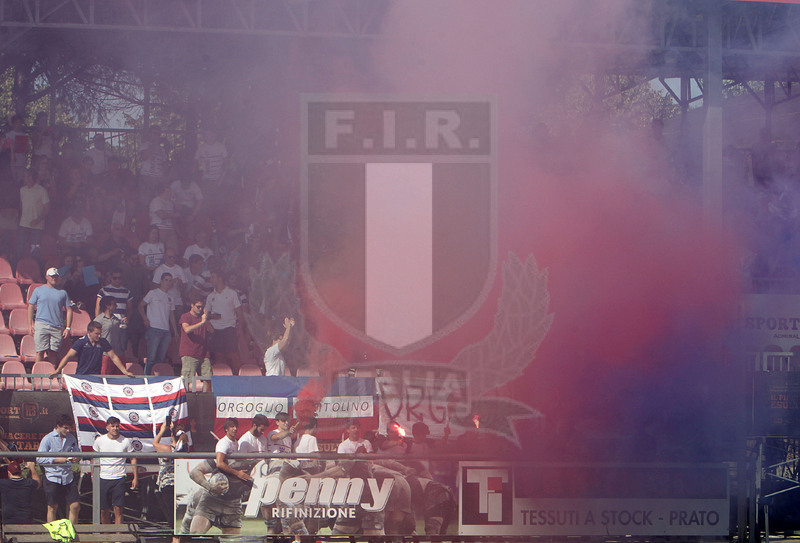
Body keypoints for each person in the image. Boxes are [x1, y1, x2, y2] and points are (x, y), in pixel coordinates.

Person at [92, 417, 138, 525]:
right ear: (107, 427)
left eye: (117, 426)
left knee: (118, 509)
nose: (115, 428)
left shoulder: (125, 441)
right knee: (104, 510)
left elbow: (133, 458)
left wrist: (136, 477)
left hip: (119, 478)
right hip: (103, 478)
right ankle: (107, 537)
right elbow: (93, 458)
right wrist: (93, 476)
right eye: (113, 426)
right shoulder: (99, 440)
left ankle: (118, 538)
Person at [37, 414, 80, 523]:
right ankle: (53, 535)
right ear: (58, 426)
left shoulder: (71, 438)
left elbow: (78, 453)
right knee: (52, 507)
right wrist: (56, 459)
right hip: (52, 477)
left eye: (70, 428)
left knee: (75, 505)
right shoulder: (47, 438)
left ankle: (72, 532)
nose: (68, 430)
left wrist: (77, 458)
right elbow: (39, 459)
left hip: (68, 476)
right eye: (65, 428)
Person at [51, 321, 134, 377]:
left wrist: (125, 371)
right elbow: (68, 357)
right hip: (82, 375)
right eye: (96, 334)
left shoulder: (103, 342)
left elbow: (113, 357)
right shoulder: (81, 342)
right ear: (89, 332)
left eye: (100, 333)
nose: (99, 336)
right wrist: (58, 370)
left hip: (95, 377)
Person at [28, 268, 73, 364]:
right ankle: (37, 375)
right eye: (52, 276)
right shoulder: (38, 290)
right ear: (46, 277)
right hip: (41, 324)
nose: (54, 278)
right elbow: (30, 306)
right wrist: (30, 324)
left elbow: (69, 309)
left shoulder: (63, 292)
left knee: (53, 353)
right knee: (40, 352)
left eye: (56, 276)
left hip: (57, 326)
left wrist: (68, 327)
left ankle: (52, 375)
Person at [205, 270, 243, 373]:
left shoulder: (232, 293)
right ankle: (220, 378)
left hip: (229, 328)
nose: (211, 280)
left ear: (220, 278)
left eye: (213, 277)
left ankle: (239, 377)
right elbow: (205, 314)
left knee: (233, 354)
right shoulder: (210, 296)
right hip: (216, 329)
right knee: (218, 355)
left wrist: (240, 328)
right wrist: (212, 318)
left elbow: (239, 312)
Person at [179, 294, 212, 392]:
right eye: (198, 307)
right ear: (192, 305)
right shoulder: (185, 316)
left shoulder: (203, 318)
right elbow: (187, 329)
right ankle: (185, 401)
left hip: (204, 353)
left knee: (208, 378)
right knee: (187, 379)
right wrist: (201, 323)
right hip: (189, 353)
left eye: (202, 307)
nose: (200, 309)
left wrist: (205, 320)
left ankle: (206, 400)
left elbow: (211, 330)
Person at [17, 168, 50, 260]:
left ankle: (36, 271)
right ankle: (19, 269)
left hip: (37, 226)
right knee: (20, 249)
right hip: (23, 224)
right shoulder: (22, 190)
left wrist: (38, 220)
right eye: (24, 176)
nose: (25, 178)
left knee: (35, 250)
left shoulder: (41, 190)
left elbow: (47, 208)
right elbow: (21, 205)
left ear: (32, 177)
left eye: (27, 176)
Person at [93, 296, 126, 374]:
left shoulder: (117, 320)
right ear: (107, 306)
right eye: (114, 304)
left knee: (120, 378)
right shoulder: (98, 320)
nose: (116, 306)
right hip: (106, 354)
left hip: (119, 353)